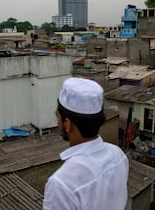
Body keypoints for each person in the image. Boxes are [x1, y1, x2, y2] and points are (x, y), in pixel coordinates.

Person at [43, 77, 129, 210]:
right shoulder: (118, 155)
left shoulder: (62, 184)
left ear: (67, 124)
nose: (57, 123)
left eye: (58, 117)